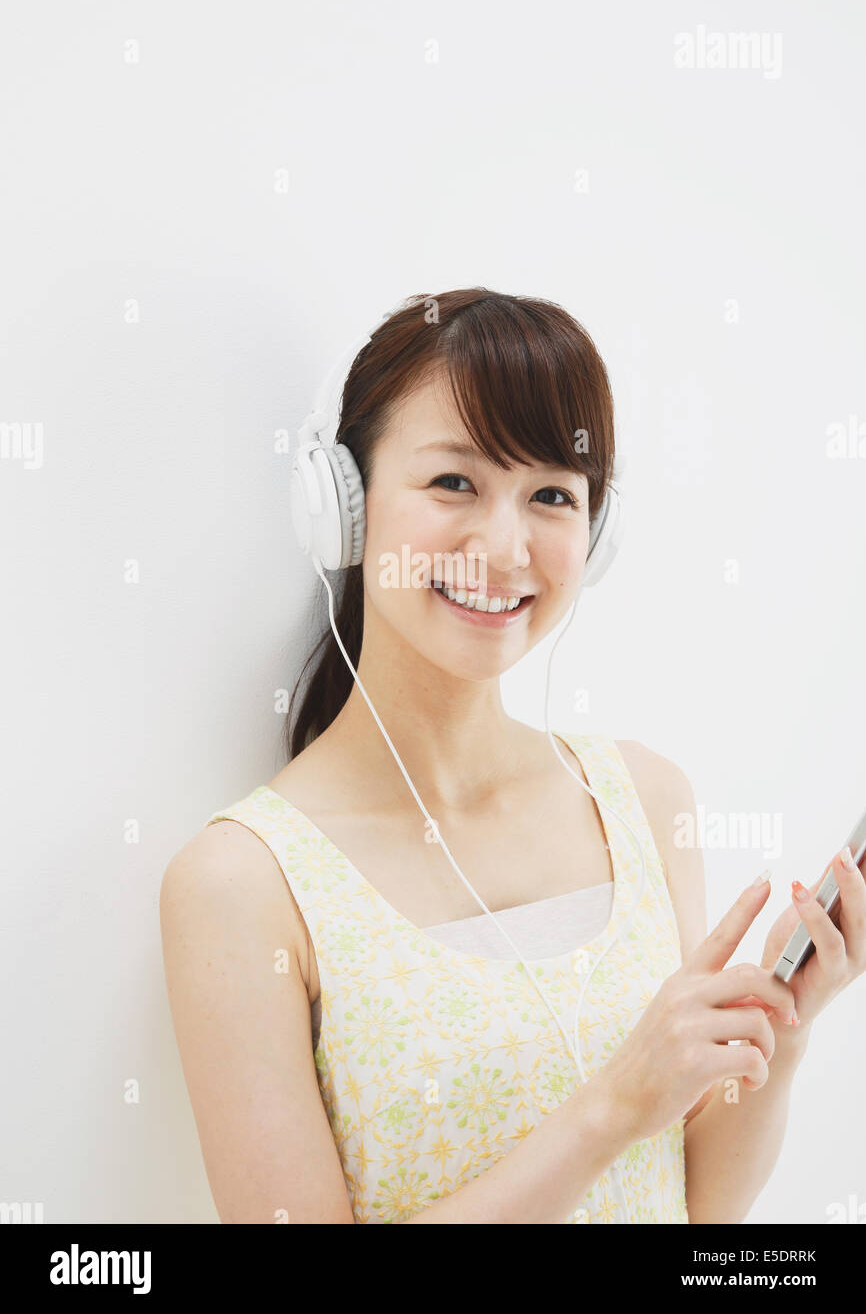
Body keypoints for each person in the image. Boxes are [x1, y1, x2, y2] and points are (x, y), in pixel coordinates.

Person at [160, 288, 864, 1224]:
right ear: (345, 507)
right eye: (454, 482)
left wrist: (780, 1027)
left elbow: (692, 1210)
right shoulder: (241, 884)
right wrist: (613, 1108)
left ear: (594, 537)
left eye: (550, 497)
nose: (504, 547)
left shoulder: (645, 800)